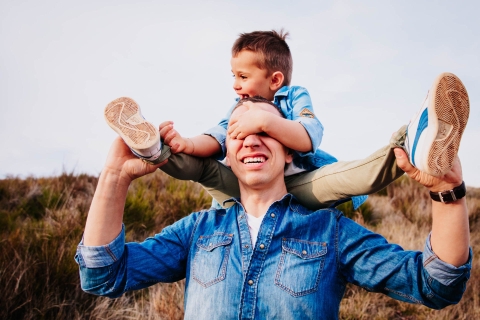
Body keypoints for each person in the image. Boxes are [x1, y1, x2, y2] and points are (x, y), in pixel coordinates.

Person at [77, 97, 472, 319]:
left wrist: (448, 194)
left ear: (288, 153)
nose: (251, 141)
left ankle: (417, 136)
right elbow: (103, 276)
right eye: (238, 134)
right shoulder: (198, 231)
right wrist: (115, 176)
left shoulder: (329, 232)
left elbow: (435, 285)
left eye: (265, 131)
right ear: (226, 156)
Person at [104, 30, 469, 211]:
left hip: (300, 183)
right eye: (233, 76)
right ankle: (153, 148)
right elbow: (216, 139)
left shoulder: (293, 97)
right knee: (196, 165)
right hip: (243, 186)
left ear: (274, 80)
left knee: (351, 175)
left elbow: (310, 137)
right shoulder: (236, 107)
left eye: (243, 77)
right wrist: (184, 143)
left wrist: (262, 124)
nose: (236, 85)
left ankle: (414, 141)